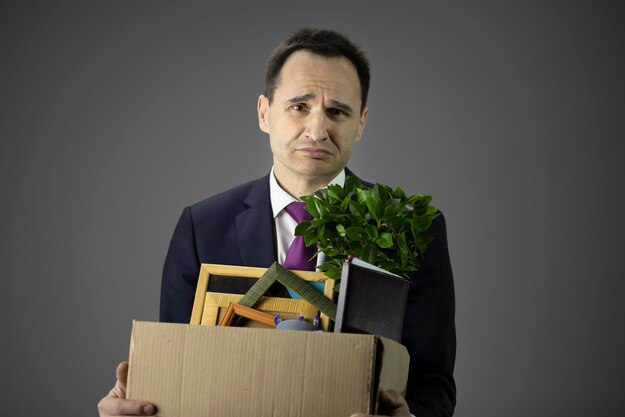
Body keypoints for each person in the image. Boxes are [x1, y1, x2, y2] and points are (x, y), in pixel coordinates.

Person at [98, 28, 456, 417]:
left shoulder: (411, 229)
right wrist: (146, 401)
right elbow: (179, 368)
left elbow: (433, 383)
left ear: (361, 123)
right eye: (299, 106)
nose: (317, 131)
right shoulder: (201, 227)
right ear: (264, 113)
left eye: (337, 111)